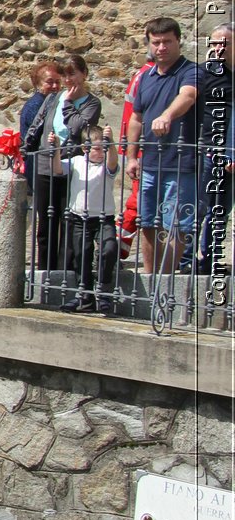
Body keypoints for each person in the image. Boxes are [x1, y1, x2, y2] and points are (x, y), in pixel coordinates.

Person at [125, 16, 203, 274]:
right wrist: (132, 157)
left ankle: (166, 282)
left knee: (176, 223)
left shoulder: (190, 71)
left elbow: (188, 95)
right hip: (150, 163)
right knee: (147, 221)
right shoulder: (146, 77)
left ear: (178, 41)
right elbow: (136, 118)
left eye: (167, 42)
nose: (161, 48)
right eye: (156, 42)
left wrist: (167, 115)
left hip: (181, 163)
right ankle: (149, 278)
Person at [23, 55, 102, 273]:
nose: (68, 80)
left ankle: (65, 272)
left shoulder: (91, 102)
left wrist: (67, 103)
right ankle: (45, 271)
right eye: (65, 75)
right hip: (44, 165)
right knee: (46, 222)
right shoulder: (52, 98)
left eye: (73, 74)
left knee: (68, 221)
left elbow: (77, 127)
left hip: (71, 167)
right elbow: (38, 123)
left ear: (84, 74)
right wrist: (27, 147)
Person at [62, 125, 120, 312]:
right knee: (81, 255)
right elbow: (56, 168)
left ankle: (103, 291)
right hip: (79, 218)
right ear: (85, 148)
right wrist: (54, 147)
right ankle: (84, 295)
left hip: (104, 217)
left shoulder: (106, 165)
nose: (101, 152)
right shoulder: (76, 162)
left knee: (109, 248)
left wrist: (110, 142)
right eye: (97, 148)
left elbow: (113, 161)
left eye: (104, 148)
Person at [198, 24, 234, 275]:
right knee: (203, 207)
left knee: (222, 209)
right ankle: (192, 258)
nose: (219, 48)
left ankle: (210, 257)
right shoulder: (204, 73)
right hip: (211, 150)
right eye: (215, 43)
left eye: (225, 43)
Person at [18, 61, 62, 189]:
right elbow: (35, 136)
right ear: (38, 84)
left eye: (58, 82)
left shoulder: (50, 103)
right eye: (49, 82)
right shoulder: (37, 104)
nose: (55, 86)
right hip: (35, 163)